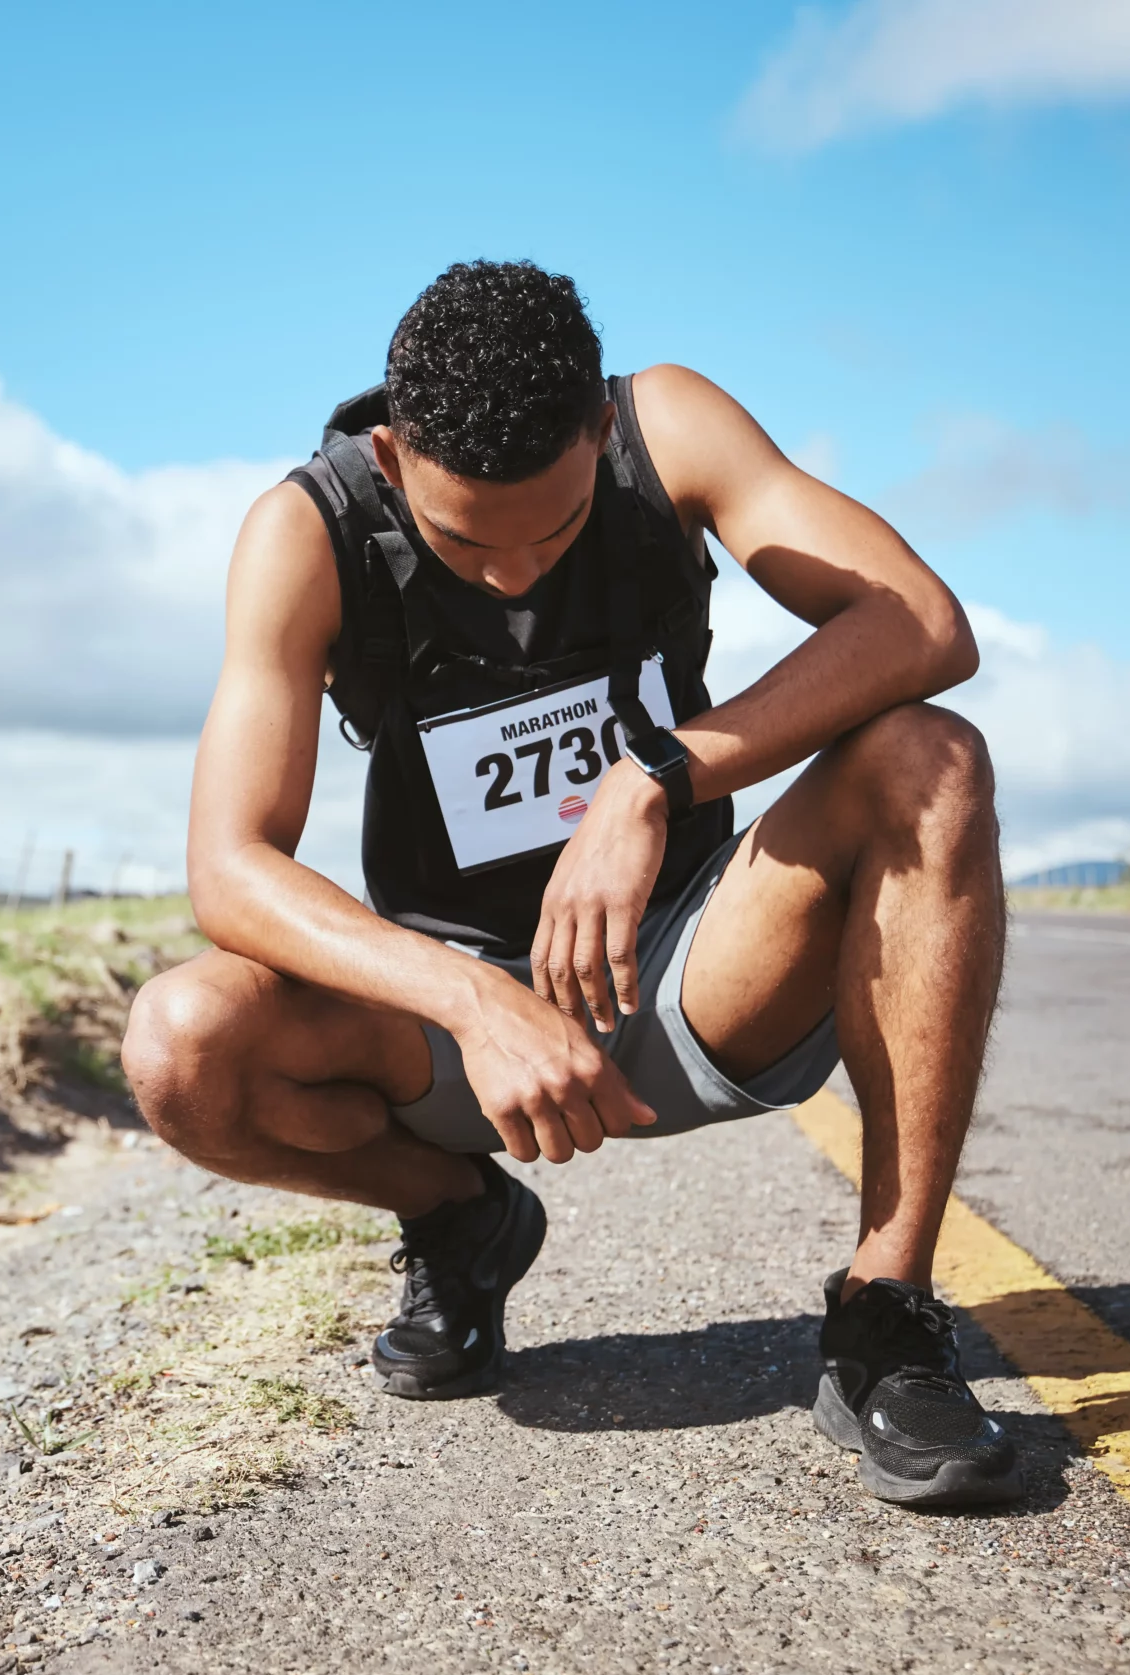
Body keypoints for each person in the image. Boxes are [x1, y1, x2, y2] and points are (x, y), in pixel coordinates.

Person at [120, 261, 1018, 1507]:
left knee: (932, 758)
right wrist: (472, 1002)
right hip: (451, 1033)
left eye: (551, 530)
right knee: (181, 1043)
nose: (513, 577)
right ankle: (458, 1218)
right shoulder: (302, 531)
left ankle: (887, 1312)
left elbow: (922, 622)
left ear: (600, 430)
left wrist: (653, 779)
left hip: (696, 967)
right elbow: (228, 867)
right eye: (463, 542)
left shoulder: (668, 427)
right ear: (390, 460)